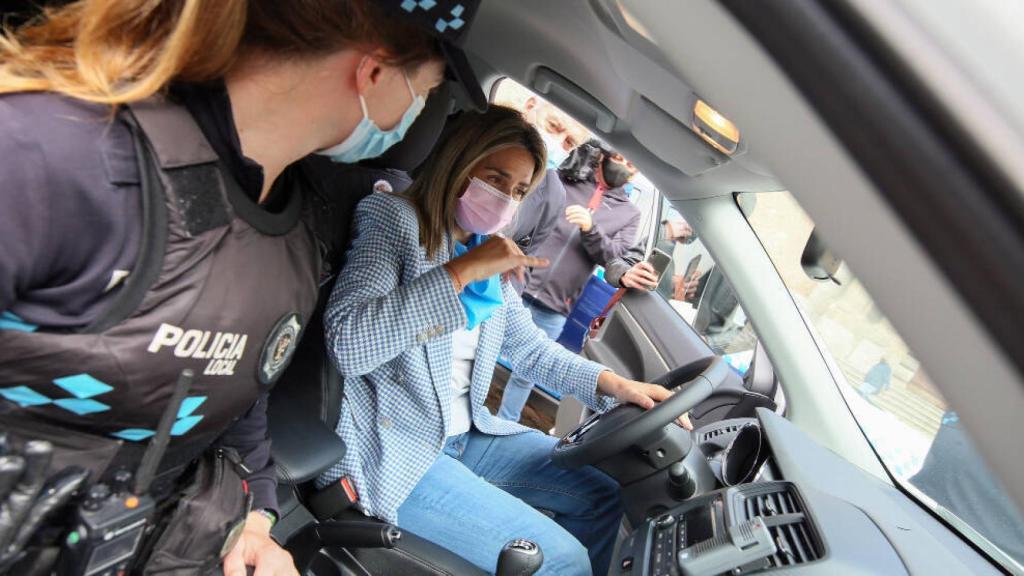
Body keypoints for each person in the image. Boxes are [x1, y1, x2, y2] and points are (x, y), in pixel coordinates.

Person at [0, 0, 482, 572]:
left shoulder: (295, 227)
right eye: (425, 91)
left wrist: (254, 516)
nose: (421, 114)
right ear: (373, 72)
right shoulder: (53, 154)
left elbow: (238, 387)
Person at [322, 106, 686, 576]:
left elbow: (531, 350)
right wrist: (460, 272)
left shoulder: (481, 247)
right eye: (494, 178)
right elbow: (349, 344)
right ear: (458, 162)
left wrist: (617, 386)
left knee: (606, 492)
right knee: (562, 560)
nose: (504, 199)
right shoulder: (394, 219)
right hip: (398, 449)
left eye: (516, 191)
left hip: (470, 435)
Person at [499, 140, 642, 422]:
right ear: (604, 156)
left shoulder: (630, 214)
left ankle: (503, 424)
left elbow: (615, 258)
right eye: (620, 159)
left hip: (557, 304)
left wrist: (591, 229)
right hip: (516, 283)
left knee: (527, 373)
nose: (623, 168)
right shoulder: (565, 180)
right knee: (478, 344)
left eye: (631, 166)